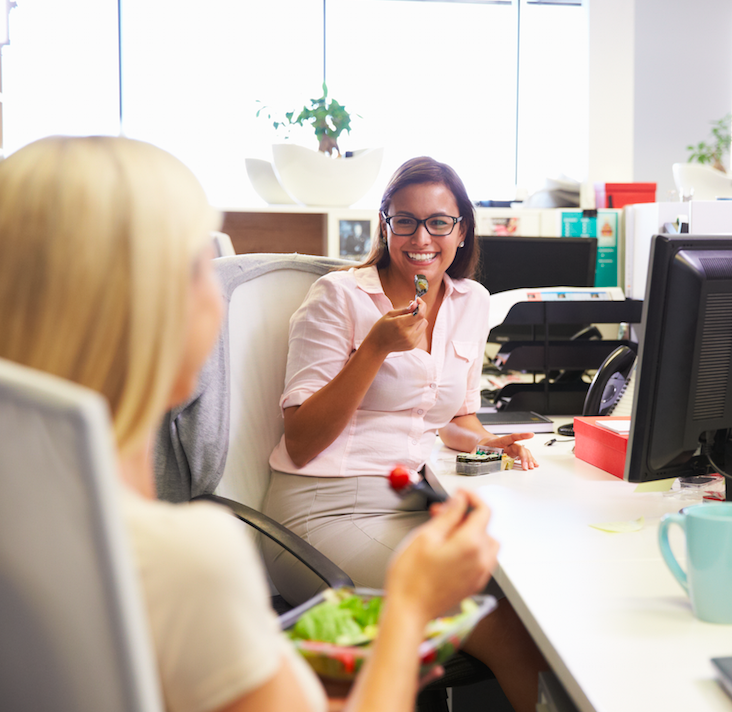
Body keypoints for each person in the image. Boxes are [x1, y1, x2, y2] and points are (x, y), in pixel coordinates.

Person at [0, 135, 500, 712]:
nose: (221, 295)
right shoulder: (186, 558)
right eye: (198, 268)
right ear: (144, 310)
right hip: (331, 508)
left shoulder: (39, 528)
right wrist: (409, 607)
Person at [262, 156, 548, 711]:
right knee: (502, 621)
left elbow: (452, 419)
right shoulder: (338, 298)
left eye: (439, 222)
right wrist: (373, 349)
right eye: (406, 221)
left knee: (527, 589)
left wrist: (490, 441)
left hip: (408, 502)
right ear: (385, 225)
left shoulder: (473, 303)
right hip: (321, 513)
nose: (423, 237)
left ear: (462, 230)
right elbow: (300, 441)